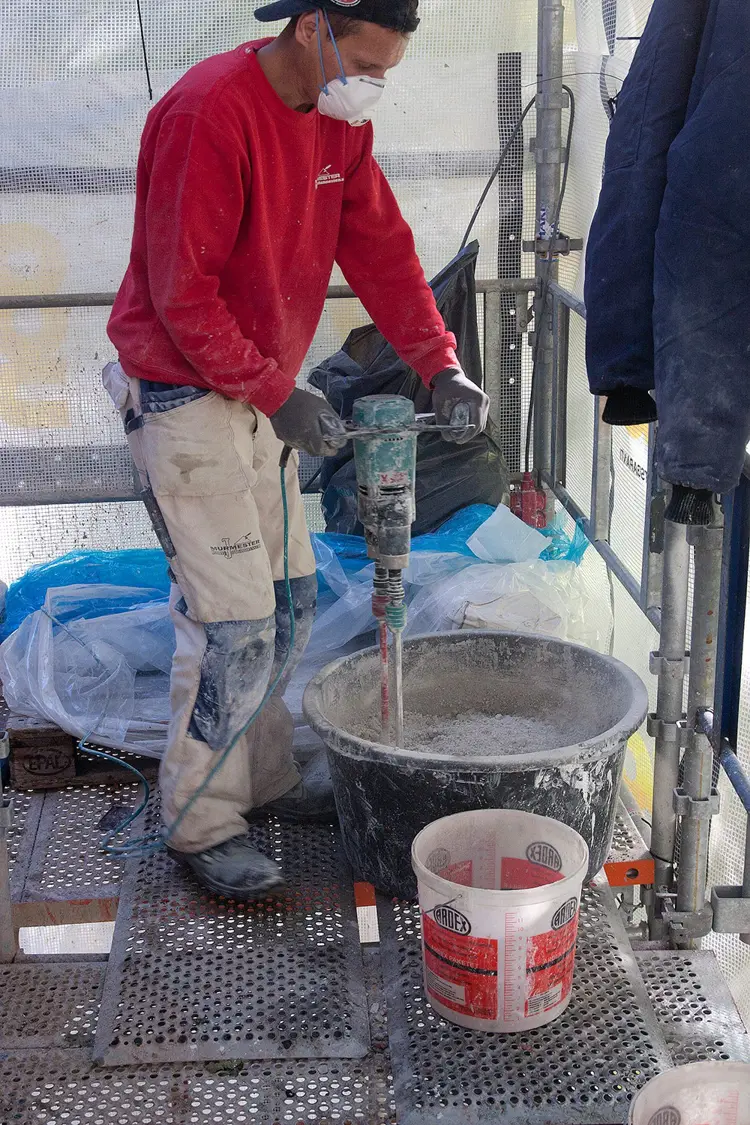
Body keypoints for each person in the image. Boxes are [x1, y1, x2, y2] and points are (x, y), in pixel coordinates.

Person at [103, 0, 489, 901]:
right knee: (231, 623)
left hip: (255, 392)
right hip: (184, 393)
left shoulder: (334, 125)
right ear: (311, 26)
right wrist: (280, 394)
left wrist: (440, 365)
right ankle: (199, 821)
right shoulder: (210, 112)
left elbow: (383, 251)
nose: (375, 87)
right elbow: (181, 292)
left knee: (290, 602)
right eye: (366, 63)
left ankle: (263, 777)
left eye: (389, 69)